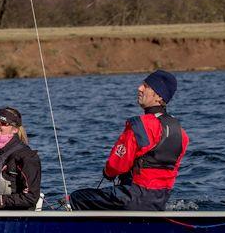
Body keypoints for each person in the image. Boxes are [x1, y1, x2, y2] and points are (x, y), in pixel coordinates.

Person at [68, 70, 189, 211]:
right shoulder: (182, 134)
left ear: (159, 97)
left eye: (146, 86)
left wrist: (107, 173)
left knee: (77, 197)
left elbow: (116, 166)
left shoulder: (140, 125)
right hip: (159, 202)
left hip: (133, 198)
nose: (139, 88)